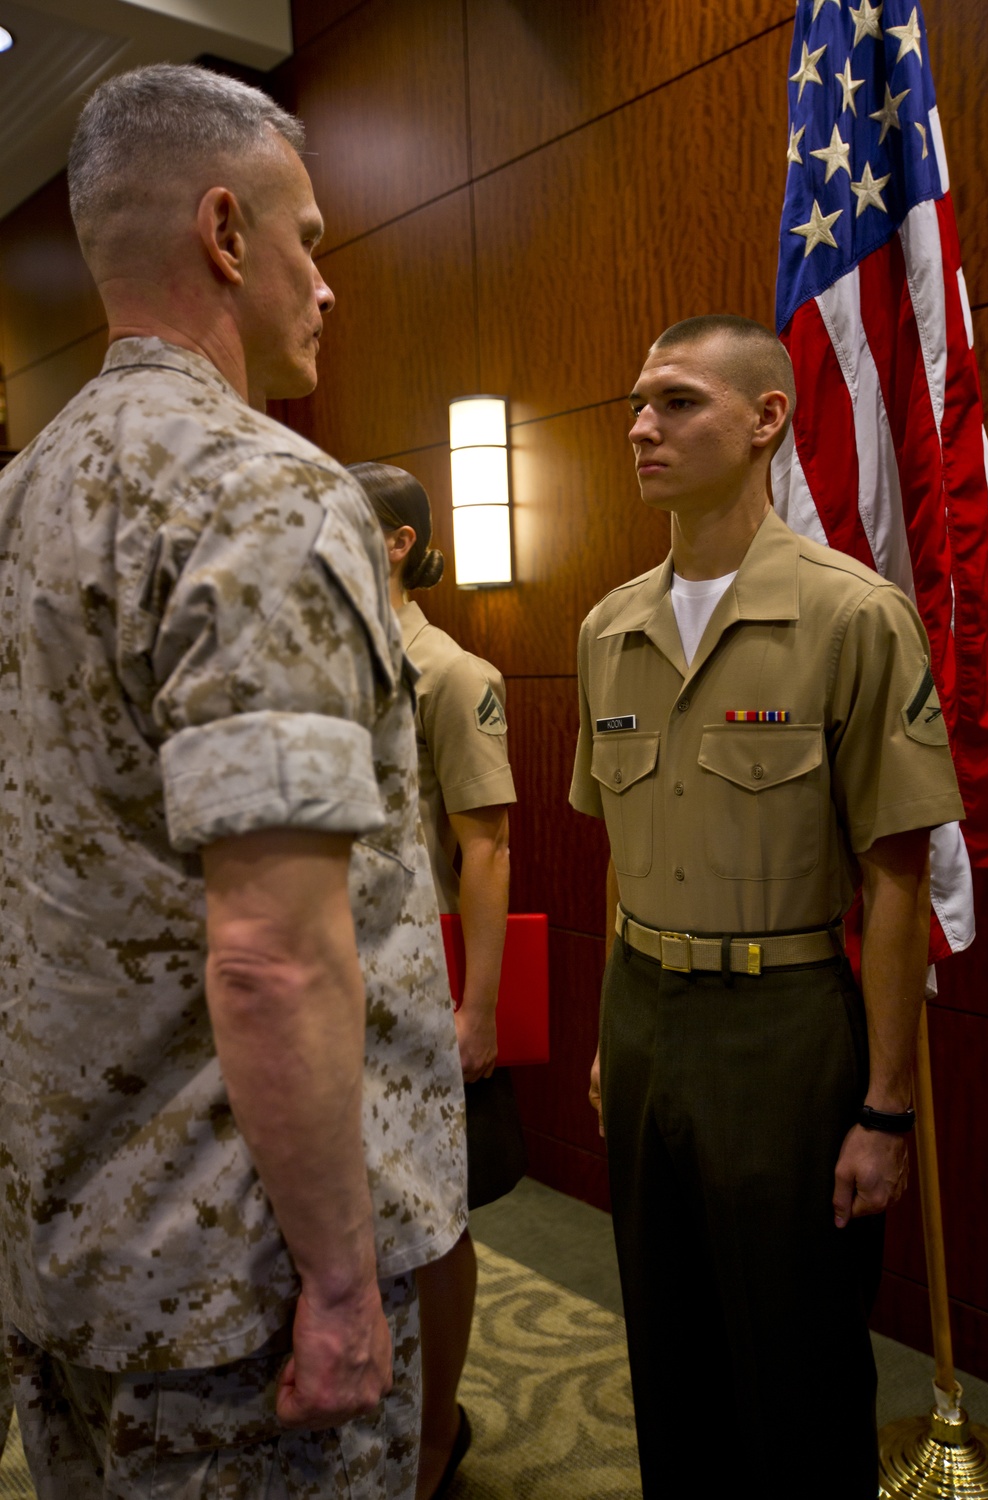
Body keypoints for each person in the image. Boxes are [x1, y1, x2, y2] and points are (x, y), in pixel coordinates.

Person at [0, 65, 466, 1498]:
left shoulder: (20, 499)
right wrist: (337, 1285)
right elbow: (272, 953)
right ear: (225, 229)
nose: (326, 279)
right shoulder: (263, 495)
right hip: (239, 1293)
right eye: (310, 237)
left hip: (65, 1248)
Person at [570, 315, 966, 1498]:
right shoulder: (608, 628)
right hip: (645, 1022)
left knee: (795, 1362)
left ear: (766, 420)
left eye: (677, 402)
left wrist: (885, 1108)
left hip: (783, 1031)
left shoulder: (851, 616)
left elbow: (896, 879)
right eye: (636, 404)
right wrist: (606, 1035)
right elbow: (616, 861)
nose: (641, 427)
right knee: (666, 1339)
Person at [350, 463, 525, 1500]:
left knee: (435, 1221)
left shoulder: (453, 675)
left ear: (399, 544)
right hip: (349, 994)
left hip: (430, 993)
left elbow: (488, 848)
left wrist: (480, 1011)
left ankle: (433, 1438)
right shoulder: (331, 660)